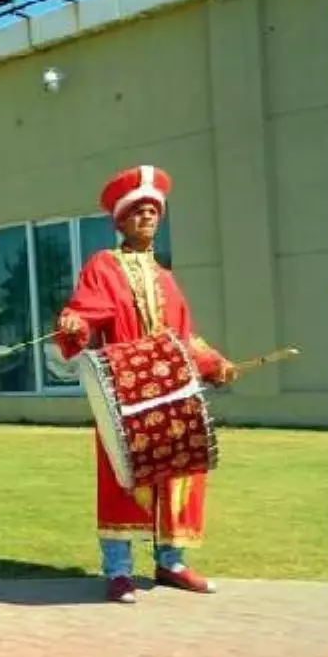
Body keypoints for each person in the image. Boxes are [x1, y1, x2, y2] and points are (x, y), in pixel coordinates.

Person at [55, 166, 239, 604]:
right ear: (119, 221)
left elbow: (184, 337)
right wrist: (74, 324)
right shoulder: (104, 266)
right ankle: (119, 571)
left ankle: (171, 561)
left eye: (153, 210)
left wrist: (215, 363)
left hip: (169, 395)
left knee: (178, 468)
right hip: (124, 393)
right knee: (123, 476)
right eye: (137, 211)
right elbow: (84, 313)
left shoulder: (167, 279)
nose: (147, 217)